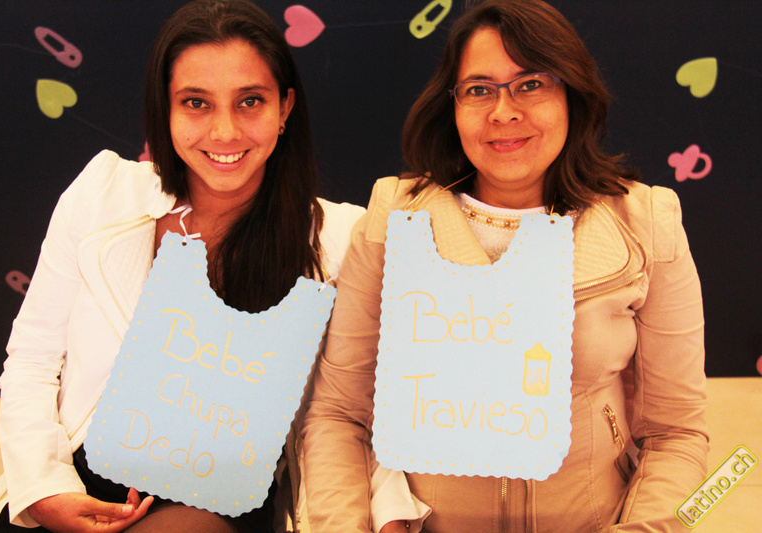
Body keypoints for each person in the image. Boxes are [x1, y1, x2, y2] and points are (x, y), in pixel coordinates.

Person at [301, 0, 708, 531]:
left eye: (531, 84)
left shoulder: (647, 222)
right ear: (452, 104)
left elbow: (677, 434)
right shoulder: (394, 220)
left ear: (572, 93)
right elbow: (339, 416)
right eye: (479, 89)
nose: (503, 111)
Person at [0, 1, 364, 531]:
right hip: (74, 483)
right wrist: (43, 489)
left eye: (250, 101)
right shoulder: (104, 192)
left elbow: (352, 412)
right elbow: (33, 358)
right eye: (196, 103)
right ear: (166, 108)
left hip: (218, 500)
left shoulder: (342, 238)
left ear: (285, 107)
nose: (224, 132)